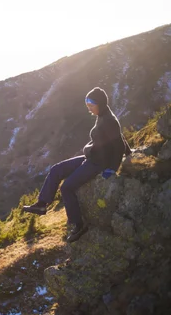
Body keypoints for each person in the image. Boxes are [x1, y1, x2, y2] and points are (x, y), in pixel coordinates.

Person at [22, 87, 131, 243]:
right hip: (91, 156)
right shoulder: (102, 115)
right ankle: (42, 204)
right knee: (56, 170)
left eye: (91, 105)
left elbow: (118, 144)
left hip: (97, 163)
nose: (89, 109)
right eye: (87, 105)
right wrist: (129, 153)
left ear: (100, 103)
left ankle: (78, 225)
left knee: (66, 187)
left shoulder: (109, 120)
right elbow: (119, 137)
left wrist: (113, 168)